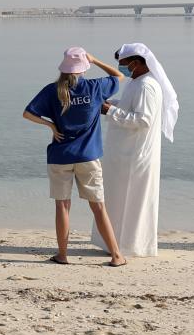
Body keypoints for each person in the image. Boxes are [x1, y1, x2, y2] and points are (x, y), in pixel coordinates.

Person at [23, 47, 126, 266]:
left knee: (62, 206)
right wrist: (95, 59)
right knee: (98, 207)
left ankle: (62, 254)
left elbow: (28, 113)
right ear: (83, 68)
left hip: (60, 156)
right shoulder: (95, 87)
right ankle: (116, 255)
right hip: (88, 156)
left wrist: (50, 124)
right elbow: (119, 76)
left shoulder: (52, 91)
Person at [91, 43, 178, 257]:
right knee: (119, 199)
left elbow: (143, 120)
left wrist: (110, 111)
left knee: (133, 201)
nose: (121, 68)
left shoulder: (146, 85)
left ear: (136, 63)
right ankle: (116, 242)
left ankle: (131, 246)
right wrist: (113, 104)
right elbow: (131, 106)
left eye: (123, 65)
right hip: (125, 153)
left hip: (135, 155)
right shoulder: (136, 82)